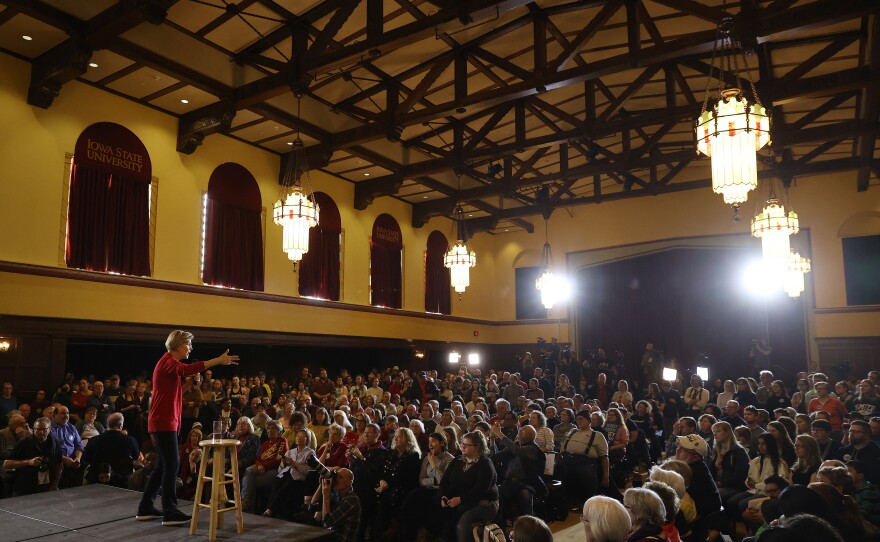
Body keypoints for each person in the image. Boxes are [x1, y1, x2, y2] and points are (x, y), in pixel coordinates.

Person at [136, 330, 239, 526]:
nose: (190, 348)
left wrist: (189, 384)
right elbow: (186, 370)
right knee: (172, 464)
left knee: (162, 466)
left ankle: (145, 507)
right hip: (163, 422)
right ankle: (170, 511)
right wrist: (218, 360)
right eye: (188, 344)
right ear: (177, 345)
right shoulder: (168, 361)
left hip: (166, 422)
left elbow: (173, 392)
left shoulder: (168, 364)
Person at [438, 430, 499, 542]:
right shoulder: (458, 460)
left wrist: (461, 499)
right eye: (462, 444)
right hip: (461, 499)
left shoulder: (485, 464)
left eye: (467, 445)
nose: (463, 447)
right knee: (439, 510)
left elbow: (481, 489)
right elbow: (444, 480)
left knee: (463, 520)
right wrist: (444, 496)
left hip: (484, 503)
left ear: (477, 447)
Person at [493, 423, 546, 525]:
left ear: (531, 436)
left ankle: (531, 524)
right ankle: (503, 523)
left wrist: (500, 434)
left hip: (526, 482)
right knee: (495, 495)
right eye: (521, 428)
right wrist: (492, 441)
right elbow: (497, 457)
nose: (520, 429)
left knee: (525, 495)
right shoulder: (515, 445)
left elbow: (518, 452)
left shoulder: (532, 448)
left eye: (524, 430)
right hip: (509, 482)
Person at [559, 409, 612, 503]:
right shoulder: (572, 431)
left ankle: (590, 501)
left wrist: (606, 476)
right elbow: (562, 448)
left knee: (586, 473)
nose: (579, 421)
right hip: (567, 459)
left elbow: (604, 457)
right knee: (557, 470)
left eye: (581, 419)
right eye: (577, 419)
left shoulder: (597, 435)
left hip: (585, 462)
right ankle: (564, 501)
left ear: (589, 420)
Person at [3, 417, 62, 496]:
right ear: (33, 429)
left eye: (44, 429)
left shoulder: (55, 442)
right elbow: (6, 464)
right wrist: (28, 462)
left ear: (49, 429)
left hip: (47, 487)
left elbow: (59, 464)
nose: (41, 432)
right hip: (25, 488)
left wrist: (55, 484)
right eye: (37, 429)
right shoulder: (24, 442)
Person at [264, 428, 314, 519]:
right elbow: (280, 469)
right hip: (285, 474)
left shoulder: (310, 453)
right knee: (275, 484)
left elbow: (308, 471)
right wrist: (283, 463)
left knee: (284, 489)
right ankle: (271, 510)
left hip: (297, 477)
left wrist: (294, 464)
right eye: (298, 436)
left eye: (303, 437)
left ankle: (270, 510)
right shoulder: (290, 451)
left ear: (307, 439)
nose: (299, 438)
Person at [241, 419, 288, 512]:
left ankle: (245, 503)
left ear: (279, 431)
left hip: (275, 470)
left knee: (250, 477)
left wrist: (264, 466)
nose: (270, 430)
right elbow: (258, 459)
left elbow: (279, 459)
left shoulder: (282, 441)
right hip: (261, 469)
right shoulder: (265, 443)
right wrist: (259, 466)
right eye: (268, 428)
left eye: (273, 428)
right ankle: (248, 507)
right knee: (250, 478)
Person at [81, 412, 138, 487]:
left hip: (96, 480)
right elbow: (136, 456)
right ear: (120, 425)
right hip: (122, 482)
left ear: (107, 425)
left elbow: (86, 459)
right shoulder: (131, 440)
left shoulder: (93, 440)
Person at [318, 468, 361, 542]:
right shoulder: (338, 495)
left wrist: (326, 496)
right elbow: (313, 502)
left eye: (340, 477)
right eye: (336, 476)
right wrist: (322, 483)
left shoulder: (352, 500)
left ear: (349, 483)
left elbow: (327, 523)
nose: (336, 479)